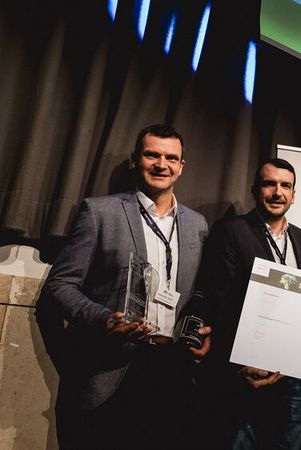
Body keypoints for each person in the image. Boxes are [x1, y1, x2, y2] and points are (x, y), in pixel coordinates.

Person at [36, 124, 210, 449]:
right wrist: (104, 319)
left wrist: (200, 330)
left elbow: (197, 293)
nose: (162, 164)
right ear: (135, 160)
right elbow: (60, 286)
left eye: (171, 158)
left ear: (182, 166)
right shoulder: (99, 212)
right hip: (114, 369)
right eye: (152, 155)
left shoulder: (197, 224)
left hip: (173, 369)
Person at [193, 158, 301, 450]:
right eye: (269, 184)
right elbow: (219, 299)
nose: (278, 192)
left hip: (292, 374)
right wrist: (237, 364)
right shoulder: (231, 230)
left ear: (294, 194)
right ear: (254, 190)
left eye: (285, 185)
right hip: (247, 371)